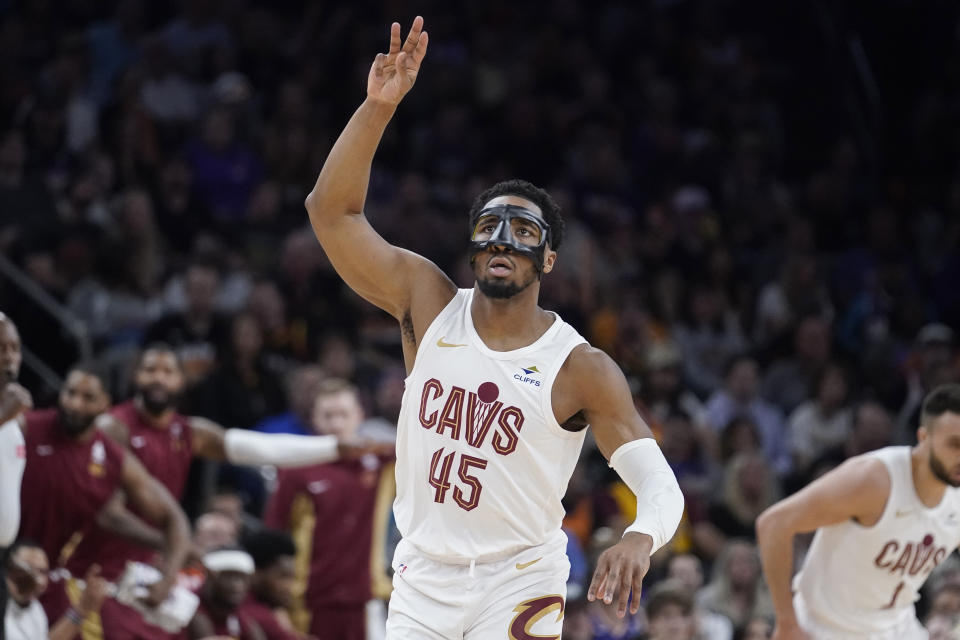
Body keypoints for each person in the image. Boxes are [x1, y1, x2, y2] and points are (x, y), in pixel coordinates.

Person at [304, 16, 684, 637]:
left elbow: (657, 482)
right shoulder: (426, 300)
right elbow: (330, 213)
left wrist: (641, 536)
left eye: (525, 230)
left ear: (549, 260)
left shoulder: (580, 368)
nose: (504, 238)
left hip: (519, 579)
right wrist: (378, 107)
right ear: (473, 245)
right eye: (491, 224)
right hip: (421, 577)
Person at [65, 344, 378, 639]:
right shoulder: (113, 427)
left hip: (147, 571)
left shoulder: (188, 432)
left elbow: (255, 447)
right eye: (150, 370)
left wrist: (333, 447)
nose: (159, 377)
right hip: (92, 571)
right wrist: (177, 545)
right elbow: (110, 514)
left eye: (167, 371)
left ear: (182, 381)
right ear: (136, 376)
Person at [756, 384, 960, 639]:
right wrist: (786, 622)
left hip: (897, 627)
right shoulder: (874, 481)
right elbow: (773, 523)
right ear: (923, 437)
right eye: (954, 444)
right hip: (827, 628)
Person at [15, 364, 191, 629]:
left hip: (48, 576)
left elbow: (173, 517)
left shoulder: (112, 457)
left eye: (87, 398)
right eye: (70, 393)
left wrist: (167, 580)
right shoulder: (29, 427)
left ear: (104, 404)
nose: (75, 404)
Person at [264, 378, 395, 639]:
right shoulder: (296, 470)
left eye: (343, 415)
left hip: (364, 601)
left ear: (360, 416)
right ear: (314, 418)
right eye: (328, 415)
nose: (336, 424)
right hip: (309, 604)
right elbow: (273, 535)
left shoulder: (381, 464)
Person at [0, 314, 33, 640]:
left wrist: (10, 561)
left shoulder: (15, 419)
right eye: (0, 348)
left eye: (15, 348)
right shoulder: (7, 413)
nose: (10, 356)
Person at [4, 540, 109, 640]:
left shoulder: (35, 610)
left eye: (44, 572)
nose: (40, 581)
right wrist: (81, 609)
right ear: (10, 569)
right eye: (31, 570)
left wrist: (83, 609)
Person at [239, 529, 313, 640]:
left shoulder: (270, 611)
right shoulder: (255, 614)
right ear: (255, 573)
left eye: (292, 578)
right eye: (283, 576)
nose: (290, 587)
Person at [188, 549, 265, 640]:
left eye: (243, 579)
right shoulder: (190, 607)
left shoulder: (238, 615)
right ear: (210, 576)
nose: (238, 586)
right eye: (230, 577)